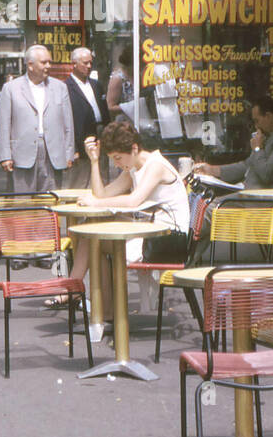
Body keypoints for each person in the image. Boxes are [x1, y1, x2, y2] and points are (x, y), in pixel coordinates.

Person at [50, 123, 191, 314]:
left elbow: (133, 200)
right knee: (92, 237)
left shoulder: (155, 166)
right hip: (152, 234)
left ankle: (87, 301)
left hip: (169, 240)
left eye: (118, 158)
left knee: (94, 242)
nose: (116, 164)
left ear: (134, 149)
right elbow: (102, 194)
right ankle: (94, 306)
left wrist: (95, 203)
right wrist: (94, 161)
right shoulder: (133, 167)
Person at [0, 44, 74, 193]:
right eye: (44, 62)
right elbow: (4, 125)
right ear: (30, 65)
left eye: (49, 62)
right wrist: (5, 156)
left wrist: (68, 153)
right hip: (22, 154)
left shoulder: (60, 87)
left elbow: (68, 124)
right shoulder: (11, 88)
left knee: (50, 202)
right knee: (23, 204)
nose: (48, 66)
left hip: (52, 153)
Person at [193, 96, 273, 189]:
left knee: (209, 208)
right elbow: (248, 165)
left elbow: (267, 174)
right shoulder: (272, 134)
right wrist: (213, 170)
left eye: (257, 121)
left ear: (268, 116)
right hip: (248, 191)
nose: (256, 126)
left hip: (264, 201)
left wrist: (257, 149)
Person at [65, 46, 109, 188]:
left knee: (102, 176)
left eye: (91, 62)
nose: (89, 66)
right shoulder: (65, 88)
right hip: (80, 138)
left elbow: (105, 111)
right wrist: (73, 149)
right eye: (85, 63)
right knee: (80, 180)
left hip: (100, 134)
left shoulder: (96, 85)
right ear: (74, 63)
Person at [106, 45, 134, 117]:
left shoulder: (137, 76)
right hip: (124, 123)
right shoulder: (118, 78)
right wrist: (131, 107)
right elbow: (110, 106)